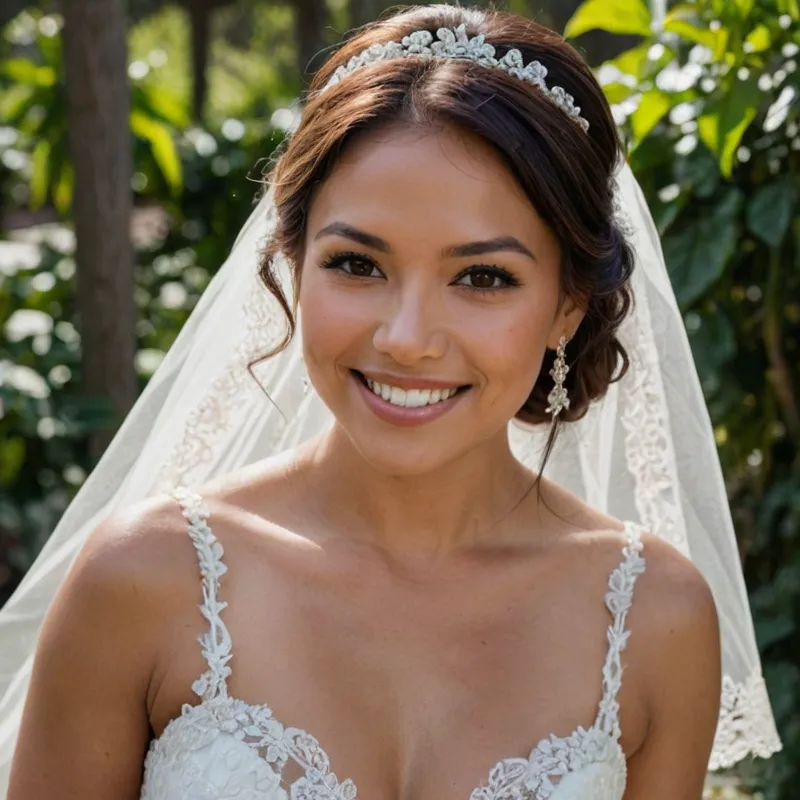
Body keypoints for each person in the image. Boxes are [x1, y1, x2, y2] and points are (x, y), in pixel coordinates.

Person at [1, 4, 781, 799]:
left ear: (569, 306)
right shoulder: (143, 580)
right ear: (293, 262)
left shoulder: (654, 618)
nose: (407, 338)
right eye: (358, 264)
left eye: (483, 277)